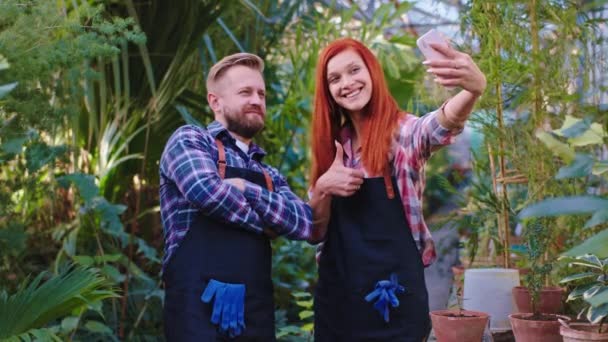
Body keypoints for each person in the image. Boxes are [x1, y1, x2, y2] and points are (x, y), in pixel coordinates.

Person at [308, 38, 486, 341]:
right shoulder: (333, 146)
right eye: (335, 78)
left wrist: (473, 90)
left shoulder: (402, 133)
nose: (347, 83)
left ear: (372, 73)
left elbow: (439, 125)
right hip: (339, 299)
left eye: (354, 70)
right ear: (328, 92)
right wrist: (323, 187)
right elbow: (314, 232)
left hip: (395, 297)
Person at [159, 52, 312, 341]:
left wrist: (244, 187)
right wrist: (268, 222)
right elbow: (207, 192)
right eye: (245, 92)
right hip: (196, 310)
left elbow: (306, 222)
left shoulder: (269, 173)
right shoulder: (191, 140)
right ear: (215, 101)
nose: (257, 99)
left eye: (261, 93)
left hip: (255, 313)